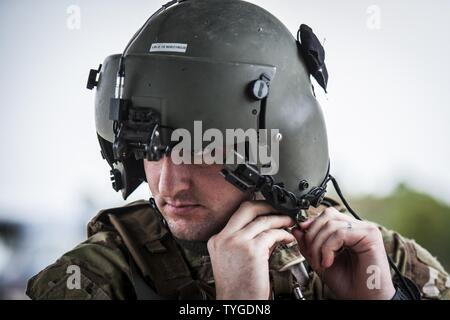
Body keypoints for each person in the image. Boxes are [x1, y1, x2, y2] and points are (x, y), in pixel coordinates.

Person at [27, 0, 449, 300]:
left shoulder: (378, 260)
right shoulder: (93, 280)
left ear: (275, 147)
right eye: (150, 149)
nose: (168, 183)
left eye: (202, 149)